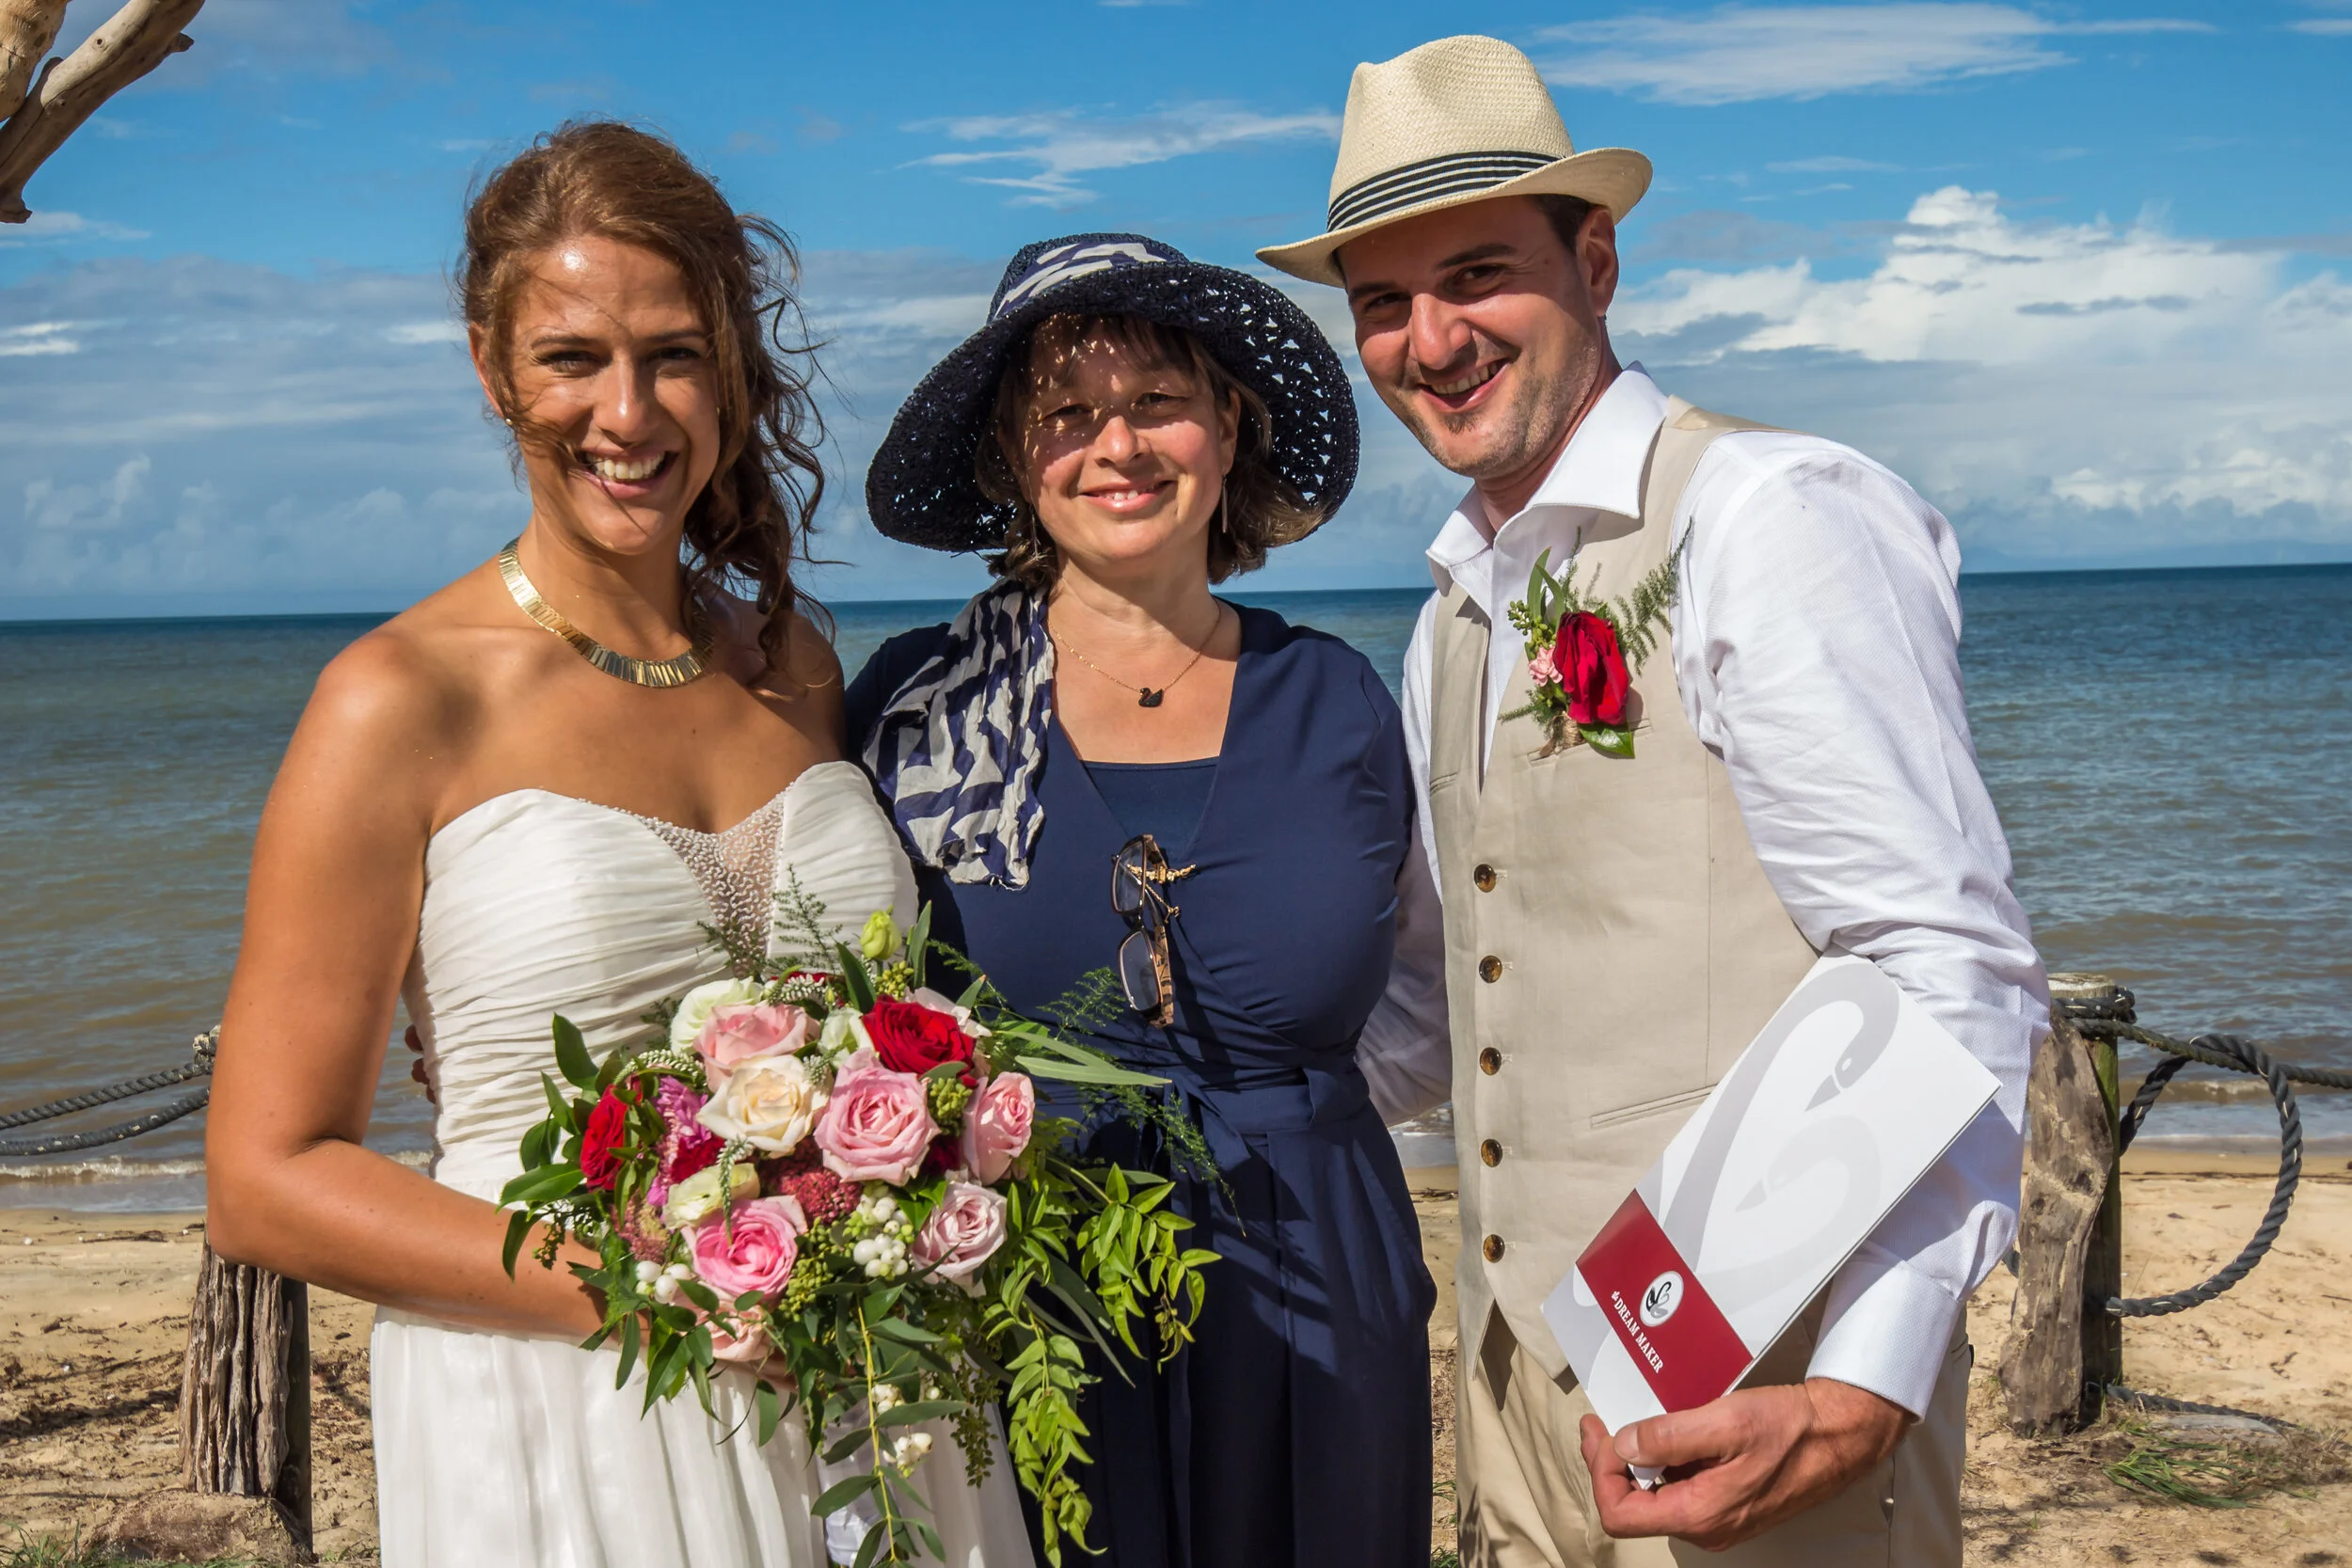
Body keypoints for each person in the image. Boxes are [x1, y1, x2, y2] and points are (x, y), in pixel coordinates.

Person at [1257, 36, 2048, 1568]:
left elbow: (1948, 971)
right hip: (1522, 1430)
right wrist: (1178, 1082)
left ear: (1597, 259)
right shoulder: (1447, 619)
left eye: (1477, 274)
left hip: (1760, 1422)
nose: (1432, 339)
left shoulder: (1771, 515)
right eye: (1382, 302)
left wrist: (1861, 1389)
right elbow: (1443, 1015)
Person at [202, 121, 1034, 1568]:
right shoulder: (397, 701)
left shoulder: (794, 664)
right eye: (573, 357)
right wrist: (660, 1285)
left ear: (728, 369)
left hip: (871, 1392)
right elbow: (266, 1172)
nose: (629, 411)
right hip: (565, 1406)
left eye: (674, 353)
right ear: (489, 368)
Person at [845, 234, 1453, 1568]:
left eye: (1158, 402)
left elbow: (1445, 983)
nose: (1117, 445)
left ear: (1229, 427)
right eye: (1067, 414)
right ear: (1017, 458)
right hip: (1024, 1290)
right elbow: (818, 972)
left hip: (1321, 1281)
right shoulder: (913, 706)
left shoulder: (1344, 703)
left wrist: (1292, 1124)